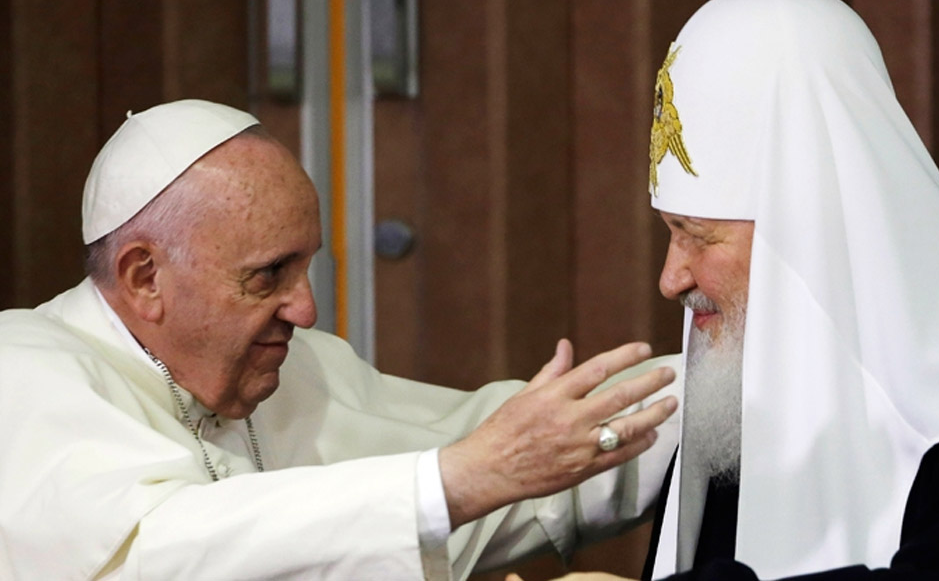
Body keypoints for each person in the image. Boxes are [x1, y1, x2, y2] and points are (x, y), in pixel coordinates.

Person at [0, 99, 681, 580]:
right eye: (268, 275)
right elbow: (163, 554)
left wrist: (719, 389)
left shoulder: (299, 371)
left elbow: (496, 460)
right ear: (144, 277)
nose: (307, 310)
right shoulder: (23, 368)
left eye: (306, 267)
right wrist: (462, 478)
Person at [510, 0, 939, 580]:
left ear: (805, 235)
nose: (670, 279)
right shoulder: (736, 410)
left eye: (697, 236)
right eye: (670, 231)